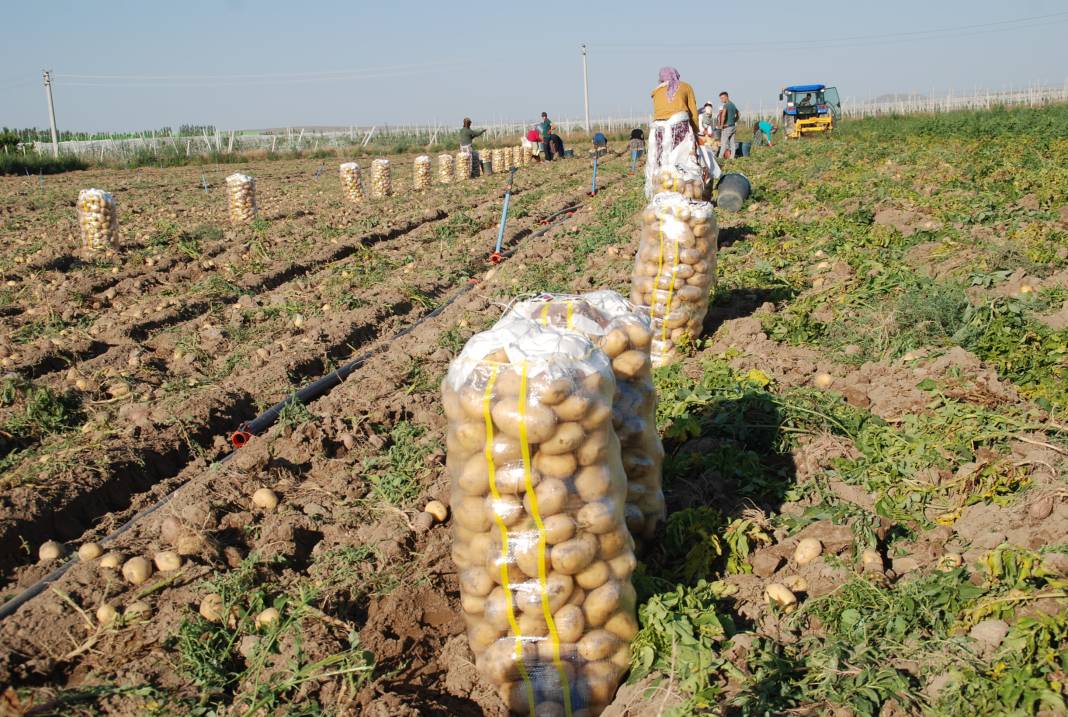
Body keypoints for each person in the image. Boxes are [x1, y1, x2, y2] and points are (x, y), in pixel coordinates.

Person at [646, 66, 700, 197]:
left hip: (659, 130)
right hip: (679, 126)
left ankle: (661, 192)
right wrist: (696, 132)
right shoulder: (686, 87)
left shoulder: (656, 91)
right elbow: (693, 111)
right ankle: (685, 191)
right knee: (683, 159)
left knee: (661, 161)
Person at [717, 91, 739, 159]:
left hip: (727, 127)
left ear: (727, 97)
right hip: (733, 126)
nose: (721, 100)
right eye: (720, 98)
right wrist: (734, 120)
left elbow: (723, 115)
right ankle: (732, 158)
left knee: (723, 143)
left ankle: (720, 158)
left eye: (723, 98)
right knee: (732, 143)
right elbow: (739, 114)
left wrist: (721, 125)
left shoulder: (726, 105)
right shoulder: (733, 104)